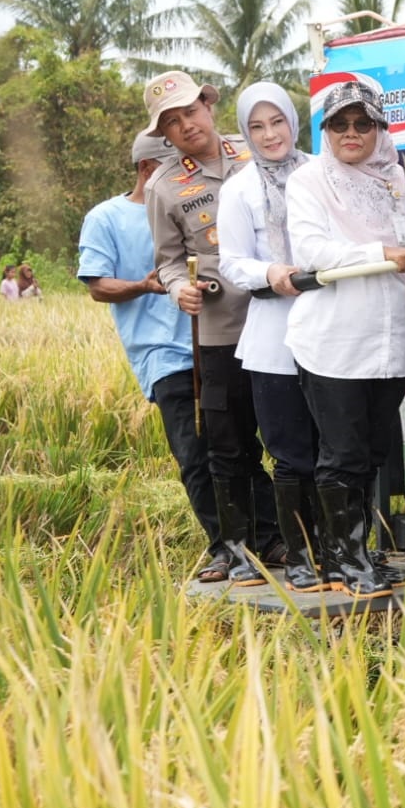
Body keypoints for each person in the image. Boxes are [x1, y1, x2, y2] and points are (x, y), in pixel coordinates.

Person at [285, 80, 405, 600]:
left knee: (373, 451)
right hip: (336, 342)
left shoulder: (393, 175)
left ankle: (351, 551)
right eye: (340, 124)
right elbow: (313, 249)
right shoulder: (309, 180)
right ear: (325, 130)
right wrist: (382, 251)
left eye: (363, 124)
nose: (352, 133)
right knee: (343, 453)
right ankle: (346, 561)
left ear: (379, 128)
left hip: (392, 337)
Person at [143, 69, 278, 587]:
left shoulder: (260, 150)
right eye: (172, 123)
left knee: (291, 440)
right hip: (222, 332)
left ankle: (291, 539)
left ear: (208, 106)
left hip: (284, 322)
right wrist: (179, 289)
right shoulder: (163, 187)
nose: (186, 126)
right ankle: (237, 547)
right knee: (229, 443)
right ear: (165, 135)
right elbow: (170, 261)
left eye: (190, 112)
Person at [78, 130, 222, 576]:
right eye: (175, 161)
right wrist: (146, 284)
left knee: (235, 450)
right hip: (165, 356)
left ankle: (265, 540)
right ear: (147, 169)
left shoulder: (194, 201)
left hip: (217, 343)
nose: (185, 169)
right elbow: (98, 285)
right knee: (195, 455)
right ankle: (224, 546)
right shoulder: (106, 218)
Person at [217, 83, 328, 593]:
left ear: (293, 121)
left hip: (334, 328)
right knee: (290, 453)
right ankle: (302, 557)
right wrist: (272, 272)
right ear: (245, 132)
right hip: (273, 337)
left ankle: (343, 550)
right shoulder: (238, 189)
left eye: (277, 122)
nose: (269, 135)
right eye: (257, 127)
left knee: (339, 448)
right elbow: (232, 263)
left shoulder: (325, 173)